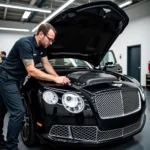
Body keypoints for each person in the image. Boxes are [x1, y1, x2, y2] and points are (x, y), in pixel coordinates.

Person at [0, 23, 70, 150]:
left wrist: (60, 78)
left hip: (15, 80)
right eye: (50, 39)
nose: (51, 43)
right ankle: (11, 147)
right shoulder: (25, 43)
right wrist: (55, 78)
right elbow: (31, 70)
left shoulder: (42, 47)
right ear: (41, 34)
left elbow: (47, 64)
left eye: (53, 40)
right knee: (18, 112)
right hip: (6, 78)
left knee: (1, 111)